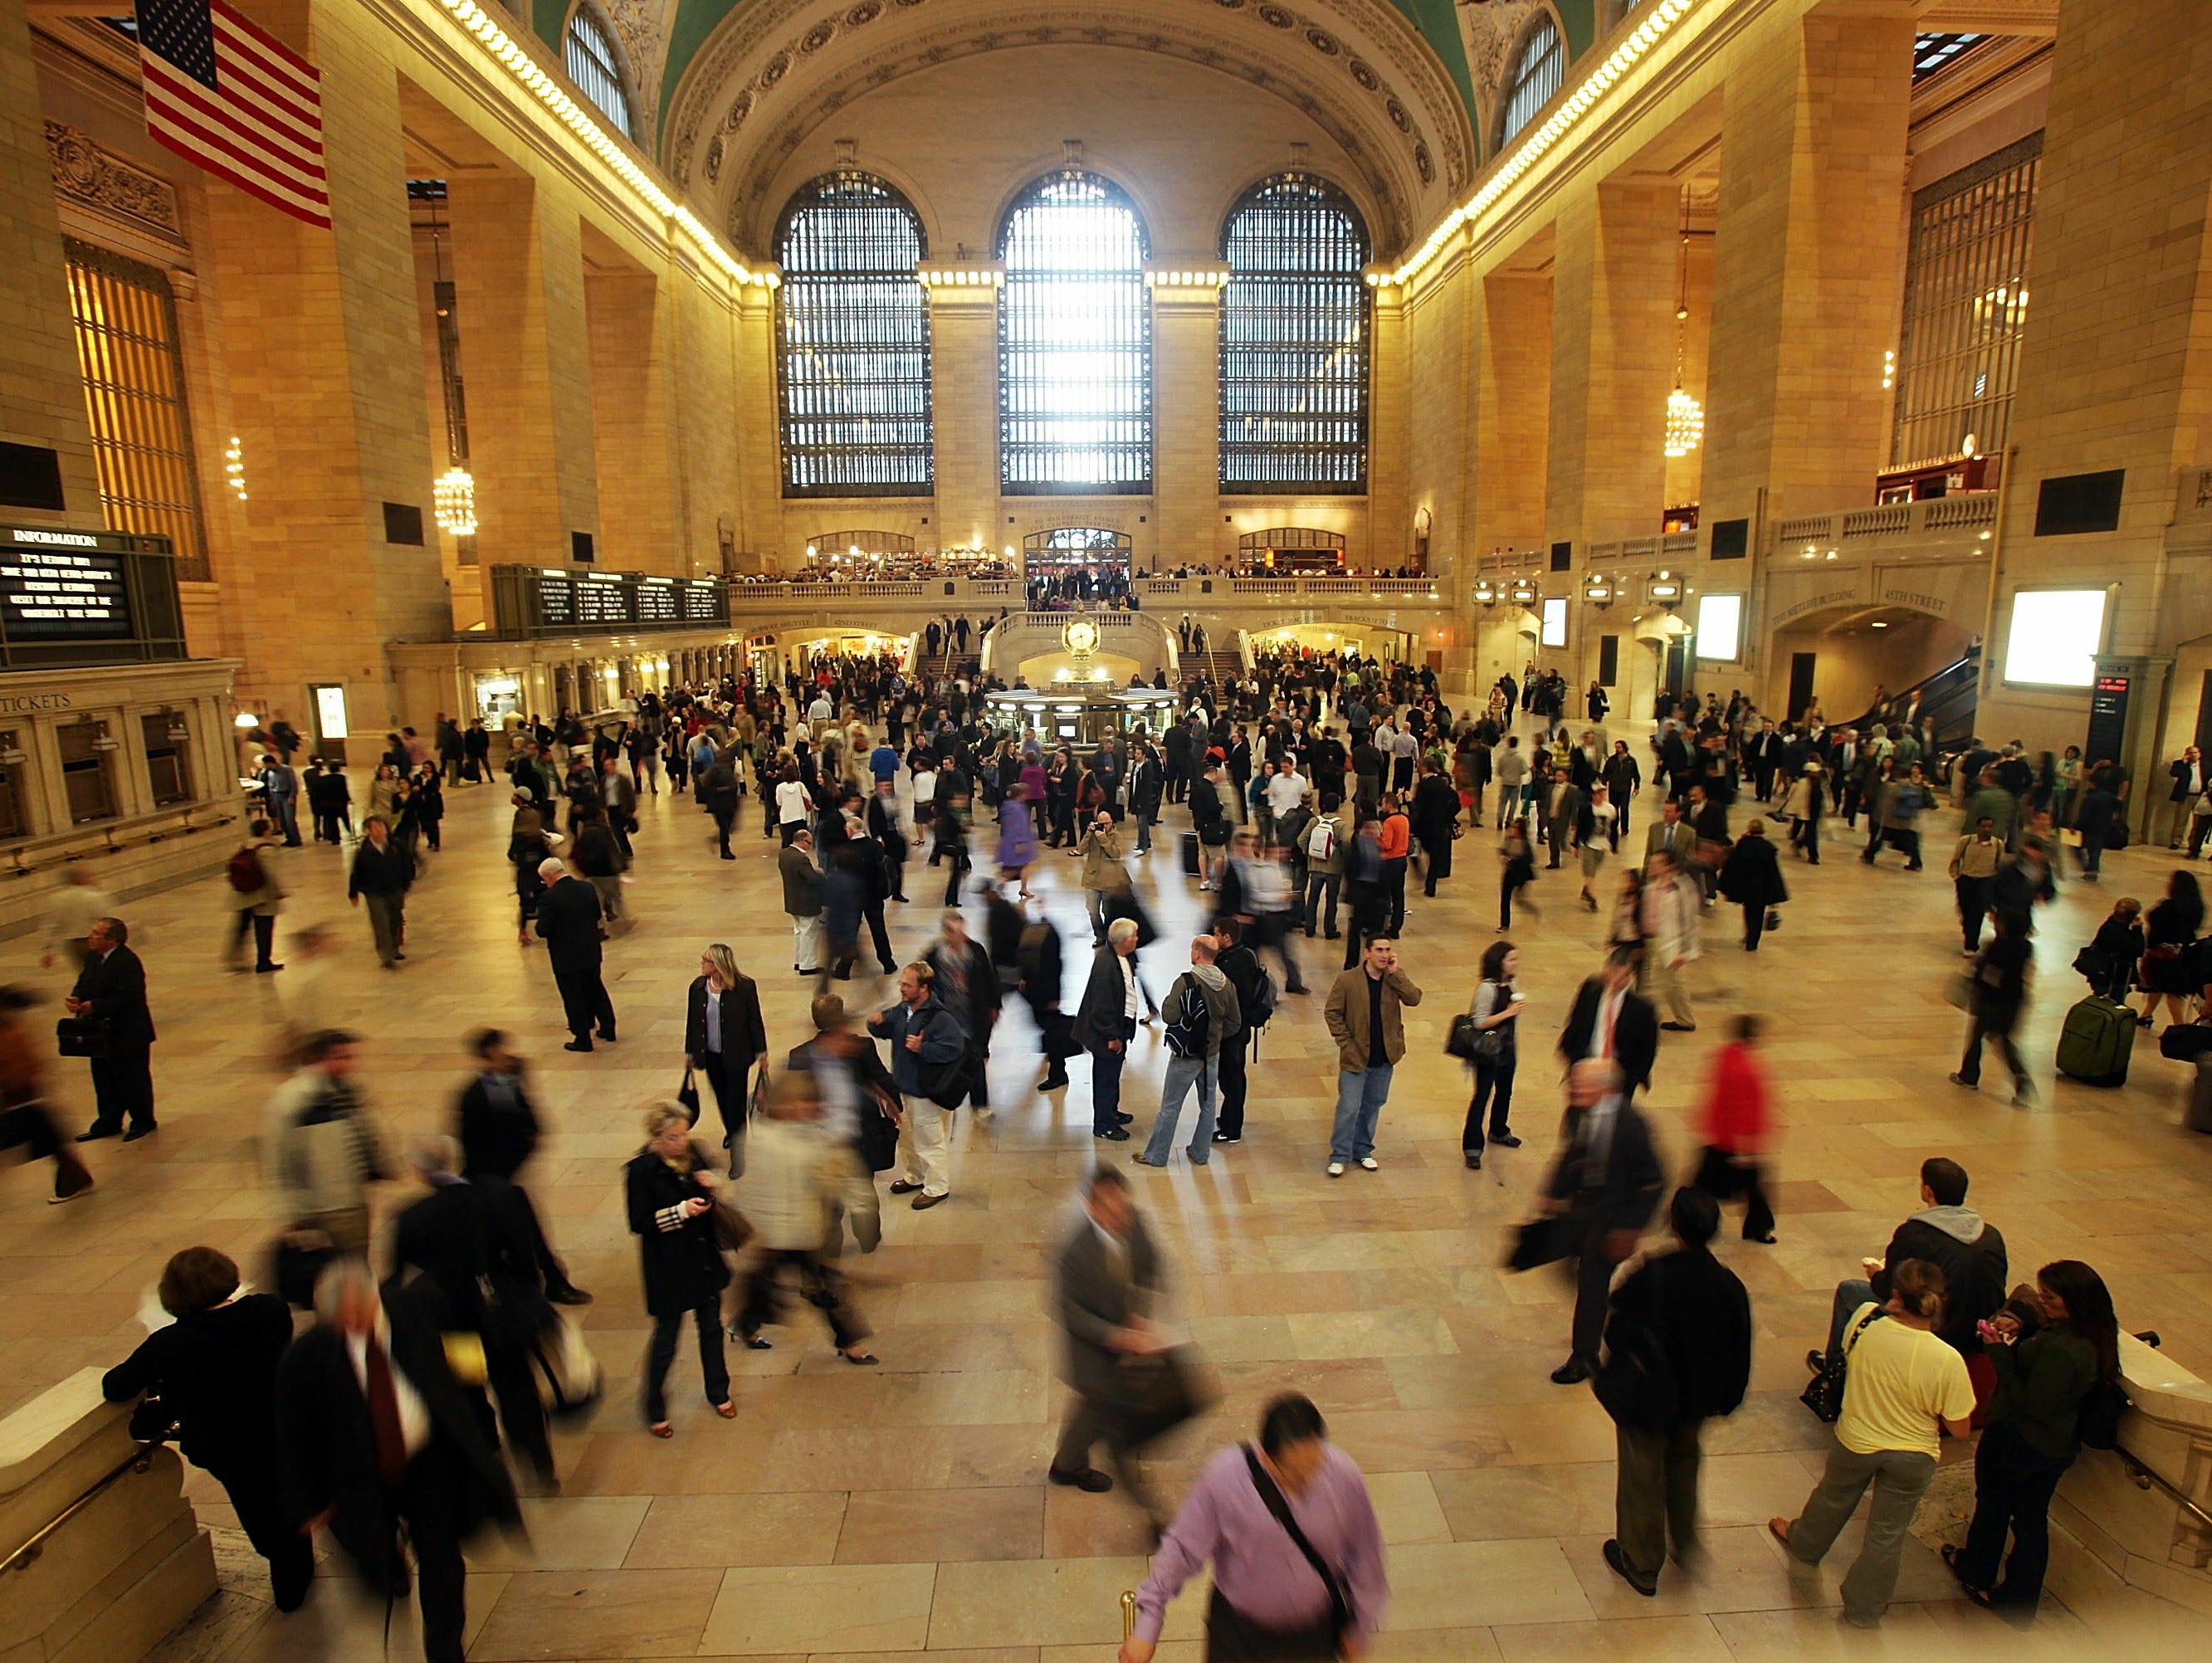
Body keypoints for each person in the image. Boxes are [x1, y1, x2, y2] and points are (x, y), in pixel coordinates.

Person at [1770, 1259, 1975, 1629]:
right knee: (1886, 1533)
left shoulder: (1865, 1320)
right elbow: (1960, 1430)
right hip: (1913, 1454)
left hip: (1857, 1439)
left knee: (1833, 1496)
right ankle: (1864, 1609)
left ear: (1896, 1295)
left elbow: (1846, 1355)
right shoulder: (1948, 1360)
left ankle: (1805, 1544)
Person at [103, 1247, 310, 1610]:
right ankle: (298, 1556)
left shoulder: (169, 1344)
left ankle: (288, 1568)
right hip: (279, 1430)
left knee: (257, 1510)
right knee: (284, 1493)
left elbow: (116, 1386)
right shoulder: (269, 1312)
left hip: (226, 1447)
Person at [1121, 1392, 1388, 1663]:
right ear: (1265, 1455)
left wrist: (1360, 1627)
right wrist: (1148, 1625)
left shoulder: (1344, 1477)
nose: (1306, 1481)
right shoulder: (1224, 1478)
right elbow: (1182, 1548)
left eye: (1315, 1467)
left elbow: (1366, 1554)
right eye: (1294, 1473)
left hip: (1315, 1634)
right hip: (1241, 1638)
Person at [1596, 1189, 1753, 1598]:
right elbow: (1738, 1349)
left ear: (1675, 1224)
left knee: (1641, 1474)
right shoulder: (1728, 1285)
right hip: (1695, 1402)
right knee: (1684, 1466)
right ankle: (1685, 1542)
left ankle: (1642, 1563)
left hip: (1650, 1401)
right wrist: (1725, 1398)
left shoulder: (1655, 1274)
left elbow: (1618, 1325)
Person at [1947, 1258, 2120, 1617]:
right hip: (2055, 1446)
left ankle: (1978, 1571)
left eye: (2051, 1299)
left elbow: (2030, 1403)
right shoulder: (2094, 1336)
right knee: (2030, 1519)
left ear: (2075, 1302)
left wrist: (1998, 1351)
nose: (2043, 1303)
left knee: (1996, 1508)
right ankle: (2016, 1598)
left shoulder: (2061, 1351)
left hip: (2019, 1441)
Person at [387, 1134, 554, 1486]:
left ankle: (490, 1455)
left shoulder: (413, 1217)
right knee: (516, 1385)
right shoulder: (493, 1198)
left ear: (419, 1171)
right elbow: (525, 1255)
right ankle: (539, 1460)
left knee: (472, 1387)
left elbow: (397, 1277)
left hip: (456, 1322)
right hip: (501, 1316)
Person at [1814, 1157, 2008, 1390]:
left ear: (1927, 1191)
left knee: (1849, 1292)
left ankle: (1834, 1370)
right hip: (1979, 1329)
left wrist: (1876, 1274)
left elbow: (1888, 1288)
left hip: (1936, 1324)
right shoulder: (1992, 1236)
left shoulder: (1914, 1234)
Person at [1048, 1165, 1174, 1519]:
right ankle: (1149, 1510)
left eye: (1122, 1205)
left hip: (1130, 1345)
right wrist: (1118, 1335)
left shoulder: (1135, 1220)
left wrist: (1143, 1312)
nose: (1119, 1215)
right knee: (1104, 1412)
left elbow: (1151, 1263)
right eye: (1109, 1207)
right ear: (1090, 1206)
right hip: (1093, 1355)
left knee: (1093, 1411)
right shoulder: (1074, 1252)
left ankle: (1067, 1462)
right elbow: (1070, 1313)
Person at [732, 1072, 876, 1363]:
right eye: (806, 1101)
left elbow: (842, 1177)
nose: (813, 1107)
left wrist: (861, 1207)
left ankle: (747, 1325)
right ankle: (847, 1341)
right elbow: (750, 1192)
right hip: (774, 1235)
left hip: (803, 1230)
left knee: (819, 1286)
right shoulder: (760, 1140)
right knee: (802, 1286)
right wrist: (753, 1233)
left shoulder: (817, 1139)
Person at [1538, 1059, 1664, 1384]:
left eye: (1582, 1085)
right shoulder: (1580, 1113)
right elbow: (1572, 1153)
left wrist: (1630, 1227)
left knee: (1591, 1286)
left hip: (1611, 1224)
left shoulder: (1632, 1125)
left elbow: (1654, 1181)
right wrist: (1553, 1190)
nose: (1573, 1089)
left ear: (1606, 1089)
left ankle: (1585, 1357)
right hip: (1584, 1211)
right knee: (1574, 1270)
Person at [457, 1027, 588, 1304]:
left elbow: (526, 1111)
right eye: (497, 1052)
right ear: (486, 1057)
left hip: (515, 1175)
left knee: (528, 1231)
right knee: (518, 1234)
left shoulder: (513, 1076)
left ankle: (550, 1282)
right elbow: (469, 1145)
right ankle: (539, 1286)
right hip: (494, 1180)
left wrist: (533, 1133)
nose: (505, 1056)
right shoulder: (473, 1097)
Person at [626, 1102, 735, 1434]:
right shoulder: (641, 1171)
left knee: (712, 1328)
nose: (682, 1142)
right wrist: (681, 1211)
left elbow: (713, 1188)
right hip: (668, 1266)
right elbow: (639, 1221)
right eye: (674, 1137)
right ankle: (654, 1405)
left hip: (701, 1259)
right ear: (657, 1137)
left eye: (684, 1134)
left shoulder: (694, 1153)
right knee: (666, 1338)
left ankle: (718, 1391)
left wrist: (711, 1185)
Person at [786, 992, 900, 1256]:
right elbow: (881, 1077)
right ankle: (835, 1247)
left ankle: (867, 1239)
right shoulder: (805, 1057)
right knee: (834, 1202)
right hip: (826, 1145)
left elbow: (880, 1079)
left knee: (863, 1199)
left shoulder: (856, 1048)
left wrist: (892, 1101)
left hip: (857, 1137)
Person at [1135, 934, 1242, 1168]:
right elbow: (1235, 1022)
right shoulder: (1227, 984)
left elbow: (1170, 1015)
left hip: (1186, 1056)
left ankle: (1156, 1155)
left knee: (1171, 1106)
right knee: (1208, 1103)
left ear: (1197, 953)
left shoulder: (1185, 982)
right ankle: (1200, 1153)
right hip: (1211, 1055)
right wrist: (1213, 1038)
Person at [869, 960, 968, 1209]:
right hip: (903, 1086)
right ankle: (916, 1176)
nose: (901, 989)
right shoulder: (903, 1009)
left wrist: (922, 1048)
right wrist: (876, 1022)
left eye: (907, 985)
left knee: (929, 1140)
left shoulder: (940, 1017)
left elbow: (954, 1048)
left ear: (923, 988)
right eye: (901, 983)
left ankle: (937, 1187)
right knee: (908, 1138)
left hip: (924, 1091)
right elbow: (886, 1028)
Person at [1321, 935, 1422, 1177]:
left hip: (1385, 1056)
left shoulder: (1393, 978)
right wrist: (1346, 1043)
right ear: (1367, 953)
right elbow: (1332, 1012)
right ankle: (1340, 1155)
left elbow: (1414, 998)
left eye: (1388, 950)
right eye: (1379, 950)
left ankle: (1363, 1148)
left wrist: (1397, 973)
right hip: (1356, 1058)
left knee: (1373, 1105)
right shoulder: (1348, 980)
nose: (1384, 955)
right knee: (1349, 1107)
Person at [68, 915, 158, 1142]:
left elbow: (130, 996)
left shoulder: (127, 962)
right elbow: (84, 981)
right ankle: (108, 1122)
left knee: (132, 1078)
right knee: (104, 1078)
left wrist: (95, 1006)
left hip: (127, 1031)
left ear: (112, 940)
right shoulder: (93, 957)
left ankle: (142, 1120)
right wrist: (77, 998)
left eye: (97, 934)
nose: (91, 937)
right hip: (101, 1032)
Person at [1689, 1013, 1777, 1242]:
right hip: (1735, 1143)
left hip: (1719, 1135)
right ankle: (1757, 1230)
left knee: (1704, 1185)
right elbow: (1745, 1110)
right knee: (1752, 1188)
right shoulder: (1747, 1070)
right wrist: (1745, 1147)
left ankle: (1685, 1219)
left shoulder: (1724, 1056)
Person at [0, 986, 93, 1202]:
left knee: (48, 1140)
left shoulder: (10, 1034)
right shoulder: (11, 1030)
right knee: (50, 1140)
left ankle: (75, 1181)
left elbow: (23, 1067)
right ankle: (75, 1180)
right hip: (23, 1099)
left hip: (21, 1099)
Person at [686, 943, 769, 1174]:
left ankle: (738, 1154)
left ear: (719, 964)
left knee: (736, 1103)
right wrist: (690, 1052)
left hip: (737, 1056)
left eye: (706, 960)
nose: (702, 963)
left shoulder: (744, 987)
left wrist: (762, 1052)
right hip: (711, 1056)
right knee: (722, 1100)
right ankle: (731, 1131)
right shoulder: (698, 988)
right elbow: (692, 1023)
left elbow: (755, 1021)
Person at [1951, 909, 2034, 1104]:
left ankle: (1969, 1075)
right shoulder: (2026, 948)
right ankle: (2020, 1077)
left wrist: (1974, 986)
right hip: (2014, 999)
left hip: (1992, 999)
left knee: (1977, 1035)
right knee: (2004, 1039)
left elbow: (1984, 972)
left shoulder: (1996, 947)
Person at [535, 857, 616, 1052]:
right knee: (596, 988)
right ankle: (608, 1028)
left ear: (549, 876)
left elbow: (543, 929)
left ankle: (582, 1038)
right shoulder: (586, 888)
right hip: (590, 951)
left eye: (544, 880)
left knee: (573, 997)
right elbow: (597, 915)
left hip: (566, 956)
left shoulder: (549, 898)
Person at [1459, 940, 1524, 1171]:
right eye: (1511, 959)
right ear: (1499, 962)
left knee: (1505, 1091)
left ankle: (1499, 1129)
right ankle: (1472, 1146)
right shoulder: (1487, 988)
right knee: (1482, 1095)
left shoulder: (1512, 984)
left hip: (1507, 1049)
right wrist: (1509, 1013)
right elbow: (1479, 1022)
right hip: (1488, 1051)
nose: (1515, 963)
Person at [1077, 919, 1142, 1141]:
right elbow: (1101, 1007)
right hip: (1107, 1034)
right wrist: (1112, 1037)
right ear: (1123, 940)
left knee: (1112, 1076)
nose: (1137, 939)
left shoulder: (1120, 956)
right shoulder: (1106, 965)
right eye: (1134, 936)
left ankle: (1111, 1112)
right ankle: (1104, 1124)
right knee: (1105, 1078)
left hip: (1119, 1027)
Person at [1638, 851, 1700, 1031]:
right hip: (1651, 939)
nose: (1652, 866)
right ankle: (1685, 1019)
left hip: (1668, 943)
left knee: (1655, 983)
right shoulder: (1651, 886)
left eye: (1657, 863)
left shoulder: (1680, 889)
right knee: (1673, 984)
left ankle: (1647, 1022)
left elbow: (1689, 922)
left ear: (1669, 866)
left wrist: (1687, 951)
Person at [2136, 868, 2203, 1031]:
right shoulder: (2196, 907)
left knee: (2171, 990)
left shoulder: (2169, 907)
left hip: (2162, 954)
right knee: (2158, 985)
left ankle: (2179, 1025)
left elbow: (2152, 917)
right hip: (2183, 951)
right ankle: (2146, 1014)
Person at [347, 815, 413, 969]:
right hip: (374, 892)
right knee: (380, 922)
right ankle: (386, 955)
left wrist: (407, 882)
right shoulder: (363, 851)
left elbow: (407, 864)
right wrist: (353, 892)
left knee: (394, 920)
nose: (379, 830)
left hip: (395, 889)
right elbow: (356, 872)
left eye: (381, 826)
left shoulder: (396, 845)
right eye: (374, 827)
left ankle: (394, 947)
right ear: (369, 831)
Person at [225, 819, 286, 973]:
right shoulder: (266, 849)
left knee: (242, 926)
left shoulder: (246, 845)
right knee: (264, 928)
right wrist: (278, 891)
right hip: (261, 895)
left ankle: (233, 957)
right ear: (265, 832)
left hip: (242, 894)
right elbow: (270, 873)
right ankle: (264, 962)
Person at [1716, 819, 1786, 951]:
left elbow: (1732, 865)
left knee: (1748, 912)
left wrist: (1726, 885)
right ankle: (1753, 940)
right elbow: (1773, 872)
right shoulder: (1768, 847)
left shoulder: (1743, 845)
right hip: (1762, 888)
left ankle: (1748, 935)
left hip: (1746, 887)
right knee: (1759, 915)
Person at [1949, 815, 2006, 955]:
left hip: (1985, 882)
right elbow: (1956, 859)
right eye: (1984, 826)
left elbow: (2000, 865)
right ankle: (1968, 928)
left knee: (1977, 913)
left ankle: (1971, 945)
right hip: (1966, 880)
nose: (1987, 829)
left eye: (1990, 826)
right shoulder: (1966, 841)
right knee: (1965, 909)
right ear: (1978, 827)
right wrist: (1956, 876)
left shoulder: (1998, 845)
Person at [2078, 896, 2144, 1003]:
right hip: (2112, 976)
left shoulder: (2110, 925)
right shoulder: (2117, 932)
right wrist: (2137, 929)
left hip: (2103, 974)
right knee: (2112, 1003)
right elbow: (2138, 950)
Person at [780, 826, 826, 974]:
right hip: (806, 902)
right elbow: (812, 879)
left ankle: (799, 961)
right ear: (801, 841)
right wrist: (820, 874)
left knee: (799, 932)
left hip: (792, 900)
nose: (809, 846)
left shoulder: (784, 854)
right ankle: (808, 966)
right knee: (809, 935)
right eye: (809, 843)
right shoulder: (801, 858)